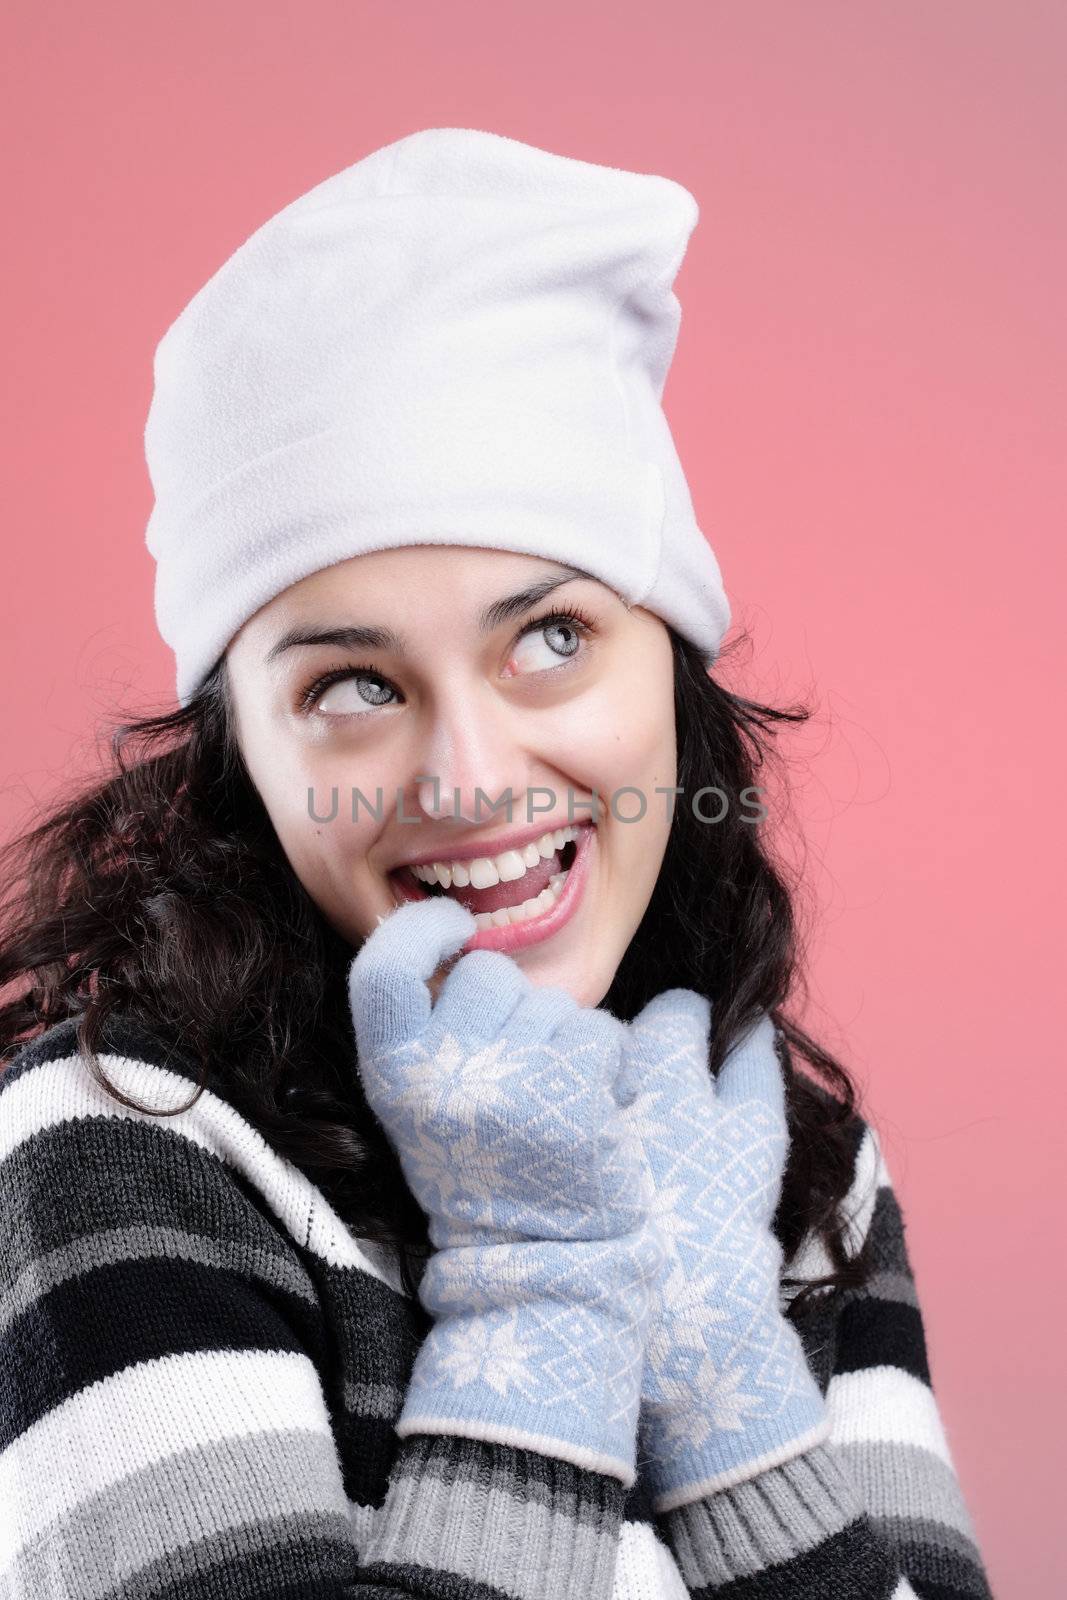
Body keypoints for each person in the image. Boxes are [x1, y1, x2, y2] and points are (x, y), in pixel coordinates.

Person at [0, 128, 994, 1599]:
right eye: (353, 684)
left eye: (550, 639)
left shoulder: (784, 1158)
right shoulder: (118, 1136)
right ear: (240, 757)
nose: (468, 779)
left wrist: (734, 1399)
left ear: (673, 663)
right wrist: (542, 1297)